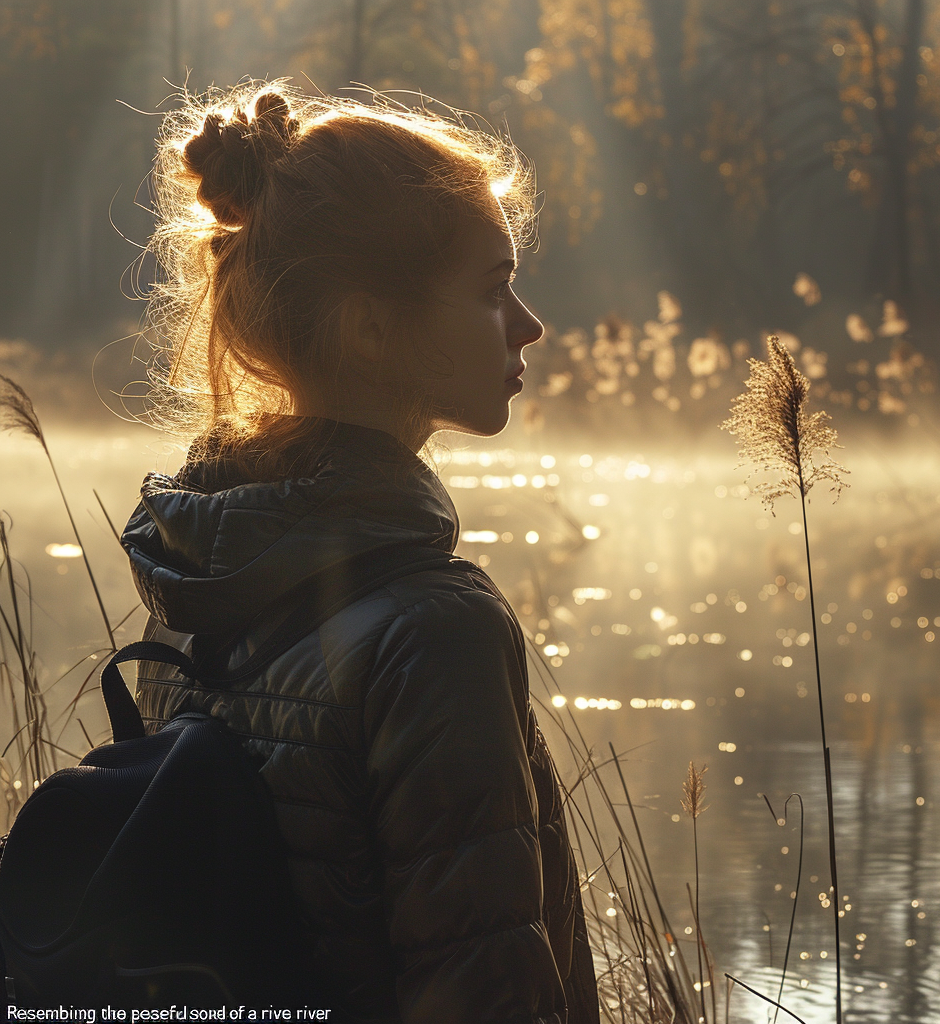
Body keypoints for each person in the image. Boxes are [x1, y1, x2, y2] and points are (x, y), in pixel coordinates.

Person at [119, 80, 600, 1021]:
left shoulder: (194, 580)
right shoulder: (438, 630)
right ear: (372, 328)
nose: (529, 324)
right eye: (493, 287)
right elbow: (482, 992)